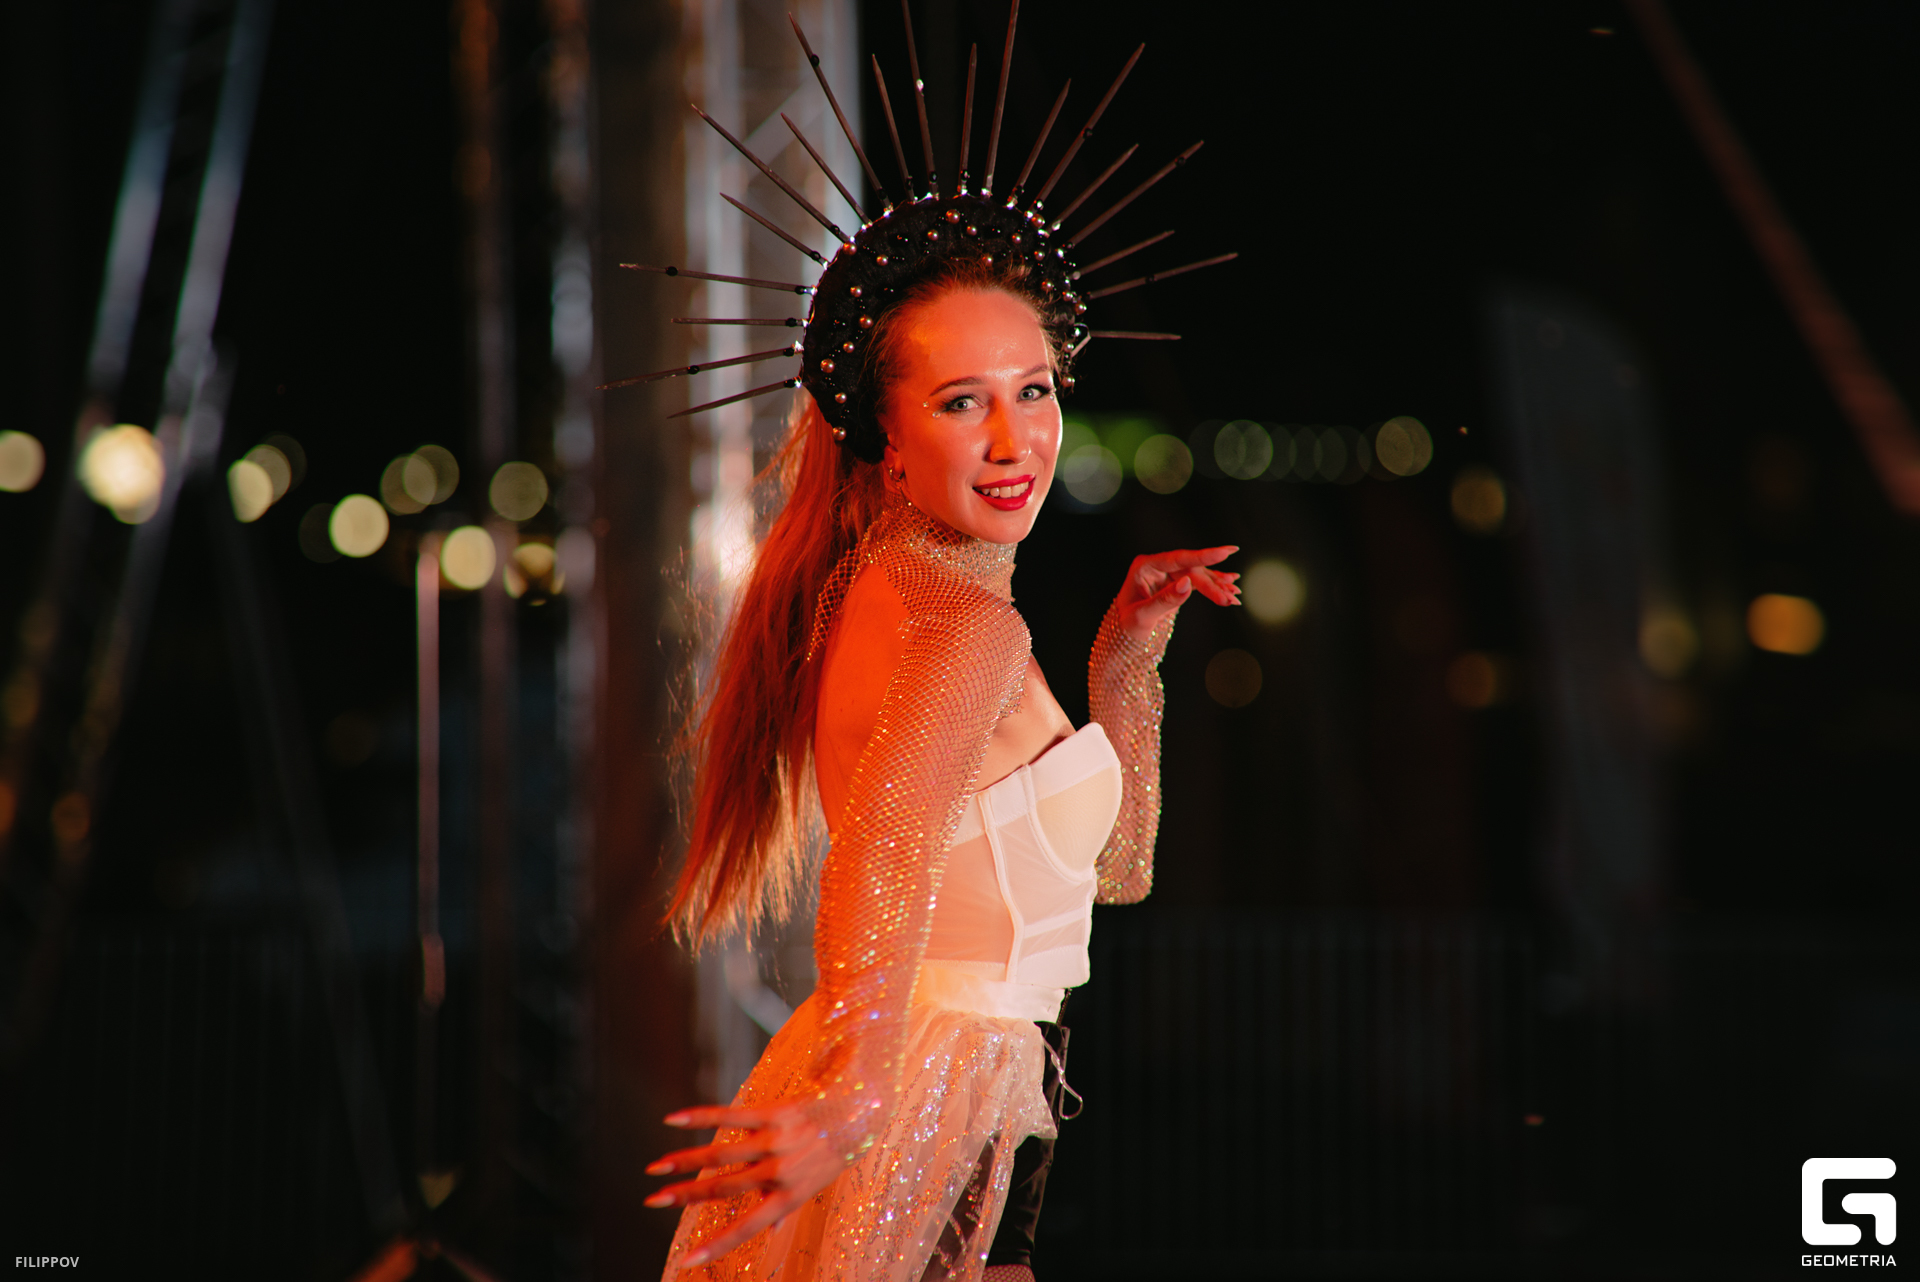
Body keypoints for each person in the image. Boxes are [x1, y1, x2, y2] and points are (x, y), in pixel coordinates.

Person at [641, 251, 1238, 1280]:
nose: (1014, 440)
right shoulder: (966, 625)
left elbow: (1115, 872)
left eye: (1034, 390)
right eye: (964, 402)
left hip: (947, 1078)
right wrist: (860, 1099)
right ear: (889, 441)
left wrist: (1126, 660)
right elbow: (888, 845)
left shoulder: (888, 588)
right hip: (939, 1089)